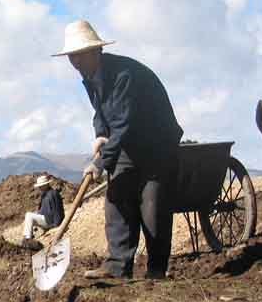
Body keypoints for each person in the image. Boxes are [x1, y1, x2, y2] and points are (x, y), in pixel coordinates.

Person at [53, 20, 183, 279]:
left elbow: (124, 123)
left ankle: (156, 270)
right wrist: (101, 134)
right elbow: (101, 112)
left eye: (79, 55)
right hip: (129, 142)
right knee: (117, 197)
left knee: (152, 206)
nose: (75, 62)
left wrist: (100, 164)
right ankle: (117, 266)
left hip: (157, 144)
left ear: (95, 51)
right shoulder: (91, 77)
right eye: (71, 57)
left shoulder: (124, 75)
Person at [20, 175, 64, 251]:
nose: (39, 188)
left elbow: (58, 210)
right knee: (31, 215)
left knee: (28, 215)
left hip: (50, 221)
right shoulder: (46, 194)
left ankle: (28, 238)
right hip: (47, 218)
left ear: (45, 185)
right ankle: (28, 237)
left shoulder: (53, 194)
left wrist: (56, 224)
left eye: (41, 186)